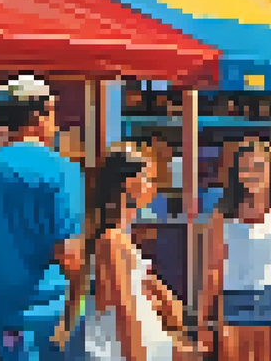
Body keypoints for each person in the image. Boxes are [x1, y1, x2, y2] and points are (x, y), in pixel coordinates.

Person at [0, 76, 86, 361]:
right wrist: (80, 307)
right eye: (52, 111)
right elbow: (69, 256)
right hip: (37, 323)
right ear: (38, 116)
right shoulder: (61, 172)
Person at [84, 144, 202, 361]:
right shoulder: (112, 242)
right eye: (148, 179)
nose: (153, 187)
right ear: (129, 184)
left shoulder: (122, 240)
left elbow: (165, 307)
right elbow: (124, 311)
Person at [205, 139, 271, 361]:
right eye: (244, 168)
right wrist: (205, 320)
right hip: (234, 300)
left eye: (257, 167)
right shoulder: (223, 213)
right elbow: (213, 270)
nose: (250, 174)